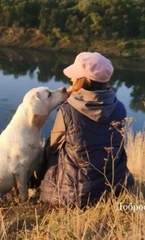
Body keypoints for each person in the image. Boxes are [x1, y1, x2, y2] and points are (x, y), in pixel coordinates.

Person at [39, 52, 134, 208]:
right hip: (115, 188)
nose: (71, 79)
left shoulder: (67, 110)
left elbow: (53, 148)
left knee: (49, 148)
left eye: (75, 76)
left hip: (75, 195)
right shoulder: (120, 108)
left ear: (86, 80)